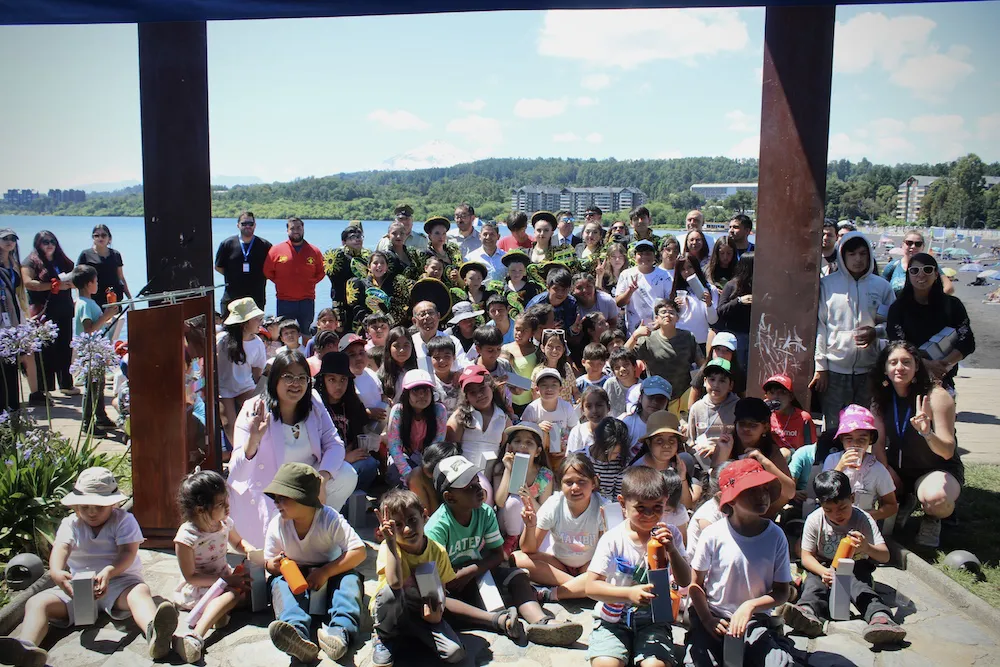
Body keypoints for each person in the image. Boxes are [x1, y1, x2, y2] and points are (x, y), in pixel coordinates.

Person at [0, 468, 179, 665]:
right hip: (78, 586)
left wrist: (110, 571)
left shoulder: (123, 520)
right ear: (76, 505)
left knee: (140, 593)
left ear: (113, 503)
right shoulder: (71, 524)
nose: (92, 512)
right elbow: (61, 549)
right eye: (85, 507)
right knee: (37, 602)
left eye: (99, 507)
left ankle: (154, 631)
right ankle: (26, 646)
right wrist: (57, 572)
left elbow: (128, 552)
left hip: (120, 582)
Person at [426, 455, 583, 646]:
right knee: (439, 601)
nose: (479, 489)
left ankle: (541, 622)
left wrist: (471, 571)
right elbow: (431, 578)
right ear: (450, 497)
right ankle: (499, 621)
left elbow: (500, 554)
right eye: (469, 487)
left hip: (476, 574)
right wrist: (457, 578)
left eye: (477, 481)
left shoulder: (484, 512)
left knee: (517, 575)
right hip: (450, 583)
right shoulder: (437, 527)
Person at [228, 349, 359, 546]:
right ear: (274, 380)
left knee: (346, 475)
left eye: (301, 377)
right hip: (271, 489)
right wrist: (253, 441)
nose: (295, 383)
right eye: (288, 377)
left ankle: (320, 531)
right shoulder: (254, 409)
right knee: (278, 552)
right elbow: (237, 473)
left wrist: (321, 479)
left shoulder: (313, 401)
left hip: (308, 482)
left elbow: (334, 443)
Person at [687, 459, 799, 667]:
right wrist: (707, 620)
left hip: (754, 620)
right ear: (730, 500)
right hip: (714, 617)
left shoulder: (775, 536)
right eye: (751, 491)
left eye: (765, 489)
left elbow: (782, 591)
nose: (761, 496)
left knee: (779, 663)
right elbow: (695, 586)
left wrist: (751, 606)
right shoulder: (713, 534)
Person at [584, 465, 692, 667]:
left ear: (666, 502)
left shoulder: (672, 535)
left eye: (657, 507)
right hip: (612, 620)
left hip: (654, 622)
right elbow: (591, 587)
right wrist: (628, 594)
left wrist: (672, 551)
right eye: (641, 508)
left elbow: (685, 580)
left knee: (655, 665)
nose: (650, 515)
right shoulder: (613, 539)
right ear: (623, 504)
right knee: (606, 664)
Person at [781, 470, 906, 645]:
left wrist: (866, 547)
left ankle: (880, 617)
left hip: (856, 566)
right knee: (813, 584)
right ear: (821, 505)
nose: (836, 514)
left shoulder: (863, 519)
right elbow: (806, 556)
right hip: (824, 564)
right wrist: (823, 571)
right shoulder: (815, 520)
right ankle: (807, 612)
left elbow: (885, 556)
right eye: (828, 510)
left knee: (859, 587)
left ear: (852, 498)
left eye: (842, 508)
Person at [262, 463, 366, 663]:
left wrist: (326, 572)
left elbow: (358, 551)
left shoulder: (329, 518)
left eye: (283, 498)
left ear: (303, 498)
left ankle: (340, 633)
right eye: (275, 498)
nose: (276, 503)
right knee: (279, 584)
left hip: (331, 571)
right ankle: (296, 635)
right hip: (295, 575)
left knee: (349, 582)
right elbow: (268, 560)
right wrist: (271, 565)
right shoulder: (278, 523)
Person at [869, 341, 962, 548]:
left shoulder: (937, 397)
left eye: (906, 362)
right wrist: (885, 475)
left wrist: (927, 433)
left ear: (916, 366)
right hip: (899, 469)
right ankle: (903, 499)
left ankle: (932, 518)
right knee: (867, 480)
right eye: (893, 362)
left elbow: (947, 451)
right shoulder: (881, 398)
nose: (899, 367)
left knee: (937, 500)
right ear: (885, 368)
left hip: (936, 469)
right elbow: (878, 444)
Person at [370, 489, 465, 666]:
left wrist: (436, 613)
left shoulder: (437, 550)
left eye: (412, 520)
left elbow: (440, 591)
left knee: (454, 653)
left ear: (424, 516)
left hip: (420, 612)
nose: (406, 529)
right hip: (391, 610)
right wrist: (390, 542)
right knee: (391, 594)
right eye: (397, 525)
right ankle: (384, 636)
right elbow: (395, 583)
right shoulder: (388, 547)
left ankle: (410, 633)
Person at [811, 232, 894, 434]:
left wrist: (876, 332)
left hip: (870, 370)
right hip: (835, 370)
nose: (858, 259)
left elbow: (893, 324)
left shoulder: (881, 286)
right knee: (833, 426)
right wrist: (820, 366)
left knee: (866, 426)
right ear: (842, 256)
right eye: (852, 254)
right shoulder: (827, 285)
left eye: (863, 254)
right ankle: (832, 462)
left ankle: (862, 464)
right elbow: (820, 326)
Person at [171, 470, 256, 663]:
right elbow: (191, 576)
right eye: (221, 504)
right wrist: (225, 581)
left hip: (224, 576)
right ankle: (196, 636)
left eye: (227, 502)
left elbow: (237, 542)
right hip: (202, 586)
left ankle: (219, 613)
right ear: (201, 509)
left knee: (256, 588)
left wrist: (250, 550)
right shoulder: (187, 537)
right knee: (232, 595)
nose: (228, 508)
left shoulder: (224, 522)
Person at [516, 453, 607, 602]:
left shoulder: (603, 508)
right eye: (569, 482)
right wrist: (530, 526)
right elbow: (529, 550)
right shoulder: (554, 504)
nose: (575, 487)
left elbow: (607, 555)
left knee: (610, 570)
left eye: (582, 481)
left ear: (594, 482)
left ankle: (564, 591)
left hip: (589, 566)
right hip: (559, 566)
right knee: (517, 558)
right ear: (560, 485)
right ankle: (580, 587)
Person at [886, 252, 973, 393]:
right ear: (908, 275)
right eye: (914, 271)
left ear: (936, 274)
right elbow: (897, 343)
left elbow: (967, 340)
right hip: (908, 378)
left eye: (927, 269)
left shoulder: (953, 305)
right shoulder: (898, 307)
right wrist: (926, 364)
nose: (921, 275)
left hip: (943, 376)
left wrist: (944, 364)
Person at [713, 398, 797, 518]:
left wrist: (763, 460)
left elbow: (790, 492)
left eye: (753, 425)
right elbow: (714, 485)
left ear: (765, 427)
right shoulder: (727, 442)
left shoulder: (771, 450)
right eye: (742, 424)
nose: (746, 429)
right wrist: (724, 453)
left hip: (760, 511)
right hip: (729, 508)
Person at [315, 351, 379, 493]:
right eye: (332, 379)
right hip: (321, 466)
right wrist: (342, 458)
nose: (338, 386)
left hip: (350, 462)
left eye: (343, 380)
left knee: (370, 465)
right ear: (323, 380)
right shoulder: (314, 406)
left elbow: (357, 434)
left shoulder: (353, 404)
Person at [821, 405, 897, 521]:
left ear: (870, 439)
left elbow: (891, 506)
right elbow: (823, 493)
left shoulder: (877, 469)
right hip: (832, 521)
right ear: (841, 439)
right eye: (849, 439)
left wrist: (866, 517)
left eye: (861, 439)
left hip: (861, 525)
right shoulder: (832, 460)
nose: (855, 444)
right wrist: (840, 468)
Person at [22, 230, 76, 396]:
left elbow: (74, 276)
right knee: (45, 349)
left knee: (65, 346)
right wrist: (53, 286)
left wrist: (73, 282)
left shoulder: (62, 259)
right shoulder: (30, 261)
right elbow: (28, 283)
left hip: (64, 307)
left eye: (52, 241)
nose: (50, 245)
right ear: (38, 244)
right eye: (45, 242)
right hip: (44, 310)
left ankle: (66, 384)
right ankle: (46, 387)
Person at [489, 421, 554, 556]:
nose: (522, 445)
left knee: (521, 501)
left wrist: (529, 496)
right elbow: (500, 502)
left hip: (531, 523)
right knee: (514, 500)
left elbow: (544, 512)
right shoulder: (500, 468)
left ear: (537, 452)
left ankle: (524, 542)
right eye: (517, 441)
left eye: (529, 443)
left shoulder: (545, 475)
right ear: (509, 447)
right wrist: (508, 470)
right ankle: (512, 539)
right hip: (506, 522)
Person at [627, 299, 702, 416]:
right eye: (663, 312)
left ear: (677, 318)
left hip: (683, 397)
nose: (667, 314)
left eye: (672, 312)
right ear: (656, 318)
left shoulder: (688, 337)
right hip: (656, 398)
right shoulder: (647, 339)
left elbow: (702, 365)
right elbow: (621, 356)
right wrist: (635, 336)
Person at [263, 217, 326, 342]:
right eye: (292, 228)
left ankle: (307, 357)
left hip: (306, 300)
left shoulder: (314, 251)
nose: (296, 231)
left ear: (303, 229)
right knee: (285, 332)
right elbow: (267, 272)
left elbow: (321, 272)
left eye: (299, 228)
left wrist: (309, 282)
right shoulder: (276, 250)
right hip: (284, 300)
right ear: (287, 230)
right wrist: (282, 282)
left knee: (306, 331)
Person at [72, 265, 118, 434]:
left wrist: (107, 316)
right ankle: (87, 423)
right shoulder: (84, 304)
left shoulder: (88, 302)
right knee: (91, 387)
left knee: (99, 385)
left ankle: (101, 416)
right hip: (90, 351)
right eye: (96, 281)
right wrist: (105, 316)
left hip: (96, 350)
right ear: (88, 283)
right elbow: (88, 328)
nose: (97, 284)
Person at [0, 229, 42, 408]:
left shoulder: (13, 263)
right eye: (5, 239)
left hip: (14, 317)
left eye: (13, 239)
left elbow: (20, 292)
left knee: (14, 361)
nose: (9, 242)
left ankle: (13, 406)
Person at [216, 297, 267, 446]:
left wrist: (262, 397)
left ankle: (257, 449)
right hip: (223, 389)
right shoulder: (222, 340)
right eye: (257, 319)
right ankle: (238, 453)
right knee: (228, 424)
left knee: (256, 418)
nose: (260, 322)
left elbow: (257, 375)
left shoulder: (258, 343)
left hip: (245, 386)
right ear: (244, 323)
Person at [446, 365, 514, 476]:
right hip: (464, 477)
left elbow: (506, 450)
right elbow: (451, 452)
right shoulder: (459, 417)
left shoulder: (504, 419)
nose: (479, 395)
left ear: (491, 386)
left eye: (482, 388)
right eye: (472, 392)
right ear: (466, 396)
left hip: (493, 477)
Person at [386, 368, 448, 488]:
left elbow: (437, 443)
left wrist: (426, 468)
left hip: (428, 457)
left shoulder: (439, 411)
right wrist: (408, 473)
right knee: (400, 480)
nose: (421, 396)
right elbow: (394, 447)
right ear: (406, 394)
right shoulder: (399, 411)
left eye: (425, 391)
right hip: (403, 457)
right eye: (415, 391)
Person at [629, 410, 698, 510]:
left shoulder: (679, 466)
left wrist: (682, 477)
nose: (666, 445)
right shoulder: (638, 470)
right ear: (649, 443)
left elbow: (686, 506)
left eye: (671, 441)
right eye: (659, 441)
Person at [214, 211, 272, 315]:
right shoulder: (227, 244)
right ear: (238, 225)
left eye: (250, 224)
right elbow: (218, 267)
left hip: (256, 299)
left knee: (254, 331)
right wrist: (233, 275)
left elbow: (271, 269)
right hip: (232, 298)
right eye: (244, 224)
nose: (247, 226)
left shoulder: (265, 245)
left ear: (255, 225)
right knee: (231, 330)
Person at [688, 359, 739, 466]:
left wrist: (717, 450)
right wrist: (696, 448)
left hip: (729, 460)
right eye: (712, 379)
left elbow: (742, 442)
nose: (716, 384)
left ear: (730, 385)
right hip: (701, 461)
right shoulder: (696, 408)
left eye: (722, 381)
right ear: (705, 382)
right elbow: (690, 441)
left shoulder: (738, 407)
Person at [615, 239, 672, 335]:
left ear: (654, 256)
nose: (644, 257)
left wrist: (660, 320)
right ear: (635, 256)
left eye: (648, 253)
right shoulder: (626, 274)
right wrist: (630, 291)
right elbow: (619, 303)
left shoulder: (664, 275)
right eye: (640, 254)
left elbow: (670, 302)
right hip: (634, 330)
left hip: (658, 328)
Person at [77, 223, 132, 310]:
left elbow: (121, 277)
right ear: (93, 238)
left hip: (113, 298)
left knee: (115, 322)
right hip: (94, 299)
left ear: (109, 238)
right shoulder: (85, 255)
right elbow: (78, 279)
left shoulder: (116, 254)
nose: (100, 238)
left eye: (103, 235)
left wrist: (129, 297)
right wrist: (80, 299)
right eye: (96, 235)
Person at [715, 252, 755, 371]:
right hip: (736, 335)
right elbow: (721, 310)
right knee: (738, 370)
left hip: (755, 335)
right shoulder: (732, 285)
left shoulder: (759, 285)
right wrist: (739, 301)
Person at [671, 253, 719, 351]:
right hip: (680, 340)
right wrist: (675, 308)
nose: (687, 271)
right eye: (682, 269)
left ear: (696, 267)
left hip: (702, 341)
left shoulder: (710, 289)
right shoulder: (676, 290)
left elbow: (713, 320)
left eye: (690, 267)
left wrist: (709, 304)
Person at [687, 332, 746, 408]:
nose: (721, 354)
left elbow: (743, 398)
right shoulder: (705, 369)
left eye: (727, 350)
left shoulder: (738, 373)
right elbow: (693, 395)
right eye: (718, 349)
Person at [325, 225, 371, 319]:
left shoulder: (366, 258)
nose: (357, 240)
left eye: (359, 237)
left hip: (362, 304)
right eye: (353, 237)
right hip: (342, 305)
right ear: (344, 241)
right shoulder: (339, 257)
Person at [763, 374, 816, 456]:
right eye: (772, 393)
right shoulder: (765, 415)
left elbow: (811, 448)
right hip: (770, 457)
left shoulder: (803, 418)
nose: (776, 397)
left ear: (790, 397)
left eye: (782, 393)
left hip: (795, 457)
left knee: (784, 453)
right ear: (766, 396)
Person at [621, 376, 671, 457]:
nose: (655, 402)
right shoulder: (628, 423)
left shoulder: (670, 426)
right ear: (640, 398)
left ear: (667, 403)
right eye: (650, 397)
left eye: (660, 399)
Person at [501, 312, 540, 417]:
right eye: (517, 329)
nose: (519, 333)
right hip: (508, 401)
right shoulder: (504, 349)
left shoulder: (537, 352)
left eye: (524, 331)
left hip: (530, 402)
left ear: (532, 333)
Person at [526, 266, 579, 335]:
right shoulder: (536, 304)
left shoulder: (571, 303)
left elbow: (571, 330)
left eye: (564, 289)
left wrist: (573, 330)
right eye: (556, 288)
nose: (560, 293)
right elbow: (526, 326)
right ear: (548, 287)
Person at [588, 416, 630, 500]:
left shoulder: (620, 463)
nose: (610, 457)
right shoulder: (581, 458)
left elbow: (617, 498)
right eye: (605, 452)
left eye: (615, 453)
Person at [379, 326, 417, 403]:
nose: (402, 350)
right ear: (389, 348)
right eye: (396, 346)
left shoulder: (419, 370)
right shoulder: (381, 375)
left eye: (406, 345)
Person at [603, 348, 640, 418]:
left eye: (626, 365)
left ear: (634, 366)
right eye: (617, 367)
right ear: (613, 372)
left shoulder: (642, 387)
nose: (622, 369)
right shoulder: (610, 384)